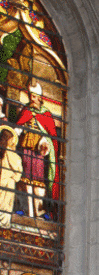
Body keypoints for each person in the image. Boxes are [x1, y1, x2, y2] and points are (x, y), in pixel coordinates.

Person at [15, 82, 59, 219]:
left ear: (39, 97)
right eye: (30, 96)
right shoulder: (25, 111)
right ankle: (28, 211)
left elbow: (51, 136)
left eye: (34, 96)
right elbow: (19, 127)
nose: (32, 99)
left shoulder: (45, 114)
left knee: (39, 183)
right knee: (26, 181)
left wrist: (45, 144)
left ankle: (39, 211)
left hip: (39, 153)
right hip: (26, 151)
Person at [0, 125, 23, 228]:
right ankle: (3, 225)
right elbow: (18, 169)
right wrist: (14, 177)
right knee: (5, 207)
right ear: (9, 140)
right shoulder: (11, 154)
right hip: (7, 183)